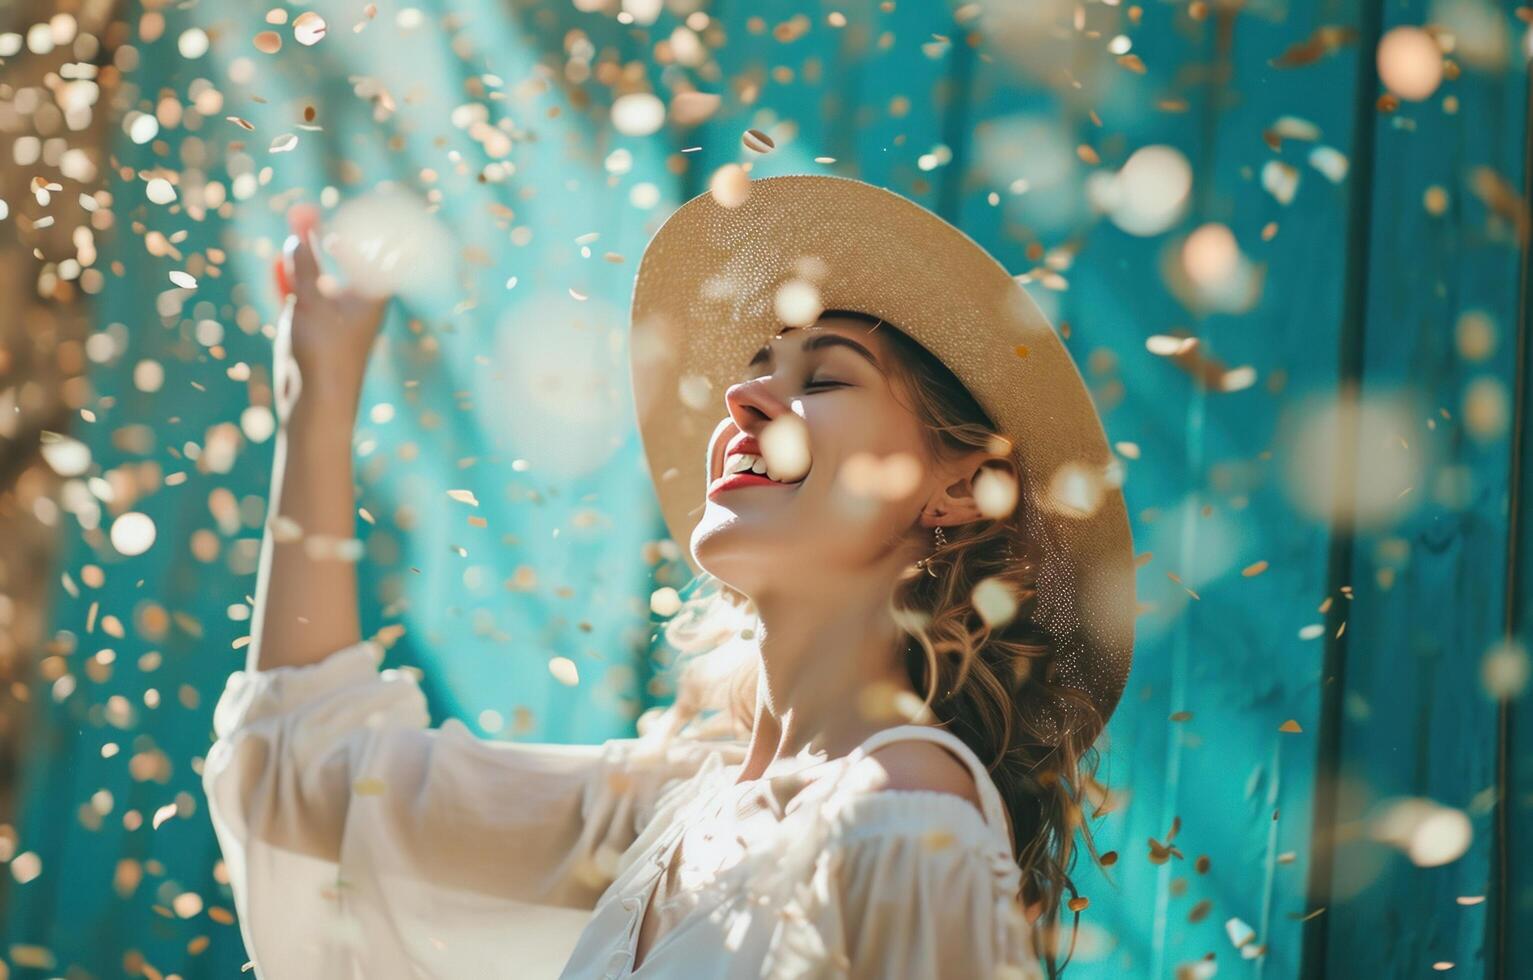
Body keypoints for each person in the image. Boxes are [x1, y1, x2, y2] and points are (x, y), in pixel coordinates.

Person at [202, 175, 1137, 979]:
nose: (740, 397)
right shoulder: (668, 811)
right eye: (756, 368)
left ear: (959, 489)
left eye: (825, 378)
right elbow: (307, 786)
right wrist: (316, 395)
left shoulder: (901, 822)